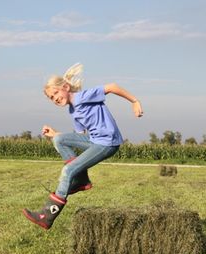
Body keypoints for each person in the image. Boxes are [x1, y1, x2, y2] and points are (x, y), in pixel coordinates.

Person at [23, 63, 143, 230]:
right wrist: (56, 134)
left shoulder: (84, 96)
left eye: (56, 93)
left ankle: (46, 216)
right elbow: (80, 137)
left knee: (67, 170)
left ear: (65, 87)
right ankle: (81, 179)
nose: (55, 98)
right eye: (51, 98)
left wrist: (134, 101)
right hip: (95, 140)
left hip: (108, 142)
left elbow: (112, 87)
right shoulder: (73, 111)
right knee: (59, 140)